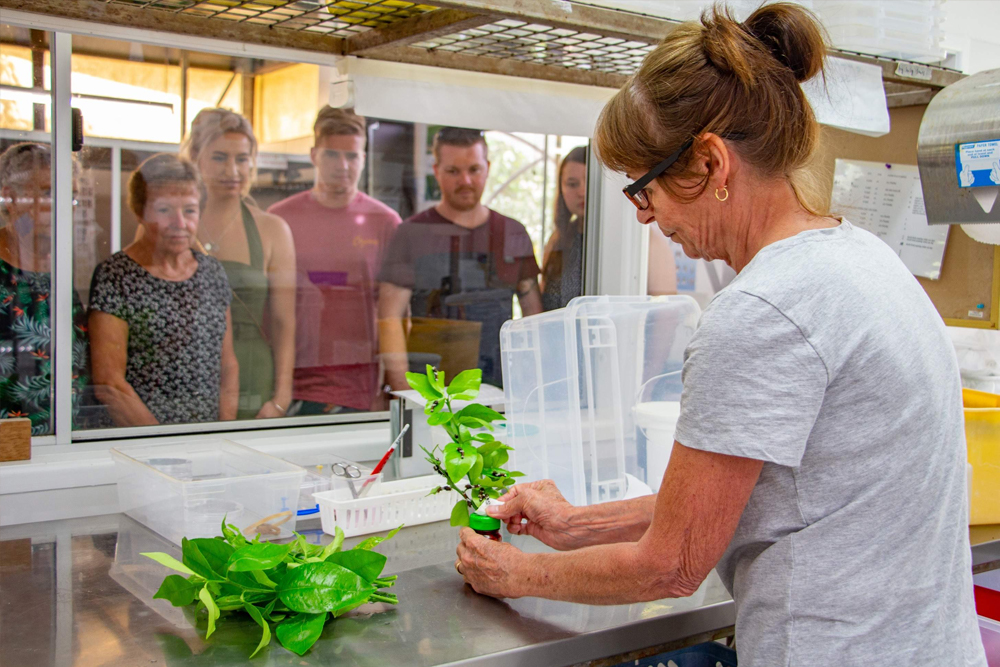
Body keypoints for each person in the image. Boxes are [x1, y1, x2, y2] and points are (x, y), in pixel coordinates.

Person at [453, 5, 987, 667]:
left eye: (644, 191)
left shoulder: (763, 310)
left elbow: (670, 565)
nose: (648, 219)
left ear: (710, 162)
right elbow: (745, 493)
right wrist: (574, 525)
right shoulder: (863, 259)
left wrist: (513, 574)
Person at [378, 127, 542, 391]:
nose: (465, 180)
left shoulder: (513, 232)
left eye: (474, 170)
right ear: (436, 171)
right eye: (453, 171)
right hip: (430, 389)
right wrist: (406, 393)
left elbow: (534, 319)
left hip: (500, 389)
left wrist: (531, 384)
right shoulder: (410, 234)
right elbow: (390, 318)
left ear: (487, 168)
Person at [268, 107, 401, 415]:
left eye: (352, 156)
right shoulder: (279, 219)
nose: (342, 165)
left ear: (364, 159)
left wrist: (393, 390)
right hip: (286, 382)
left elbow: (395, 315)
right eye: (331, 154)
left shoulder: (385, 222)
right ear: (314, 154)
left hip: (358, 386)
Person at [89, 153, 238, 425]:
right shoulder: (116, 275)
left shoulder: (212, 271)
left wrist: (222, 432)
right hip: (142, 444)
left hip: (207, 441)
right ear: (140, 212)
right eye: (164, 210)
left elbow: (227, 364)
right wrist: (163, 443)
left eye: (189, 210)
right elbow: (109, 384)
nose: (180, 223)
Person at [180, 108, 295, 420]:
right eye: (219, 157)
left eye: (242, 159)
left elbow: (284, 323)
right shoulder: (170, 223)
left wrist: (281, 398)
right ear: (195, 157)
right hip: (181, 375)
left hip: (252, 375)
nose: (232, 170)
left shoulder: (272, 230)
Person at [0, 143, 88, 434]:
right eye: (49, 193)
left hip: (61, 446)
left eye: (71, 196)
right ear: (9, 197)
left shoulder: (61, 268)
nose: (62, 207)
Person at [540, 145, 587, 311]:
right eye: (572, 184)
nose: (582, 192)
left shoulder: (641, 243)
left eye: (589, 182)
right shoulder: (558, 240)